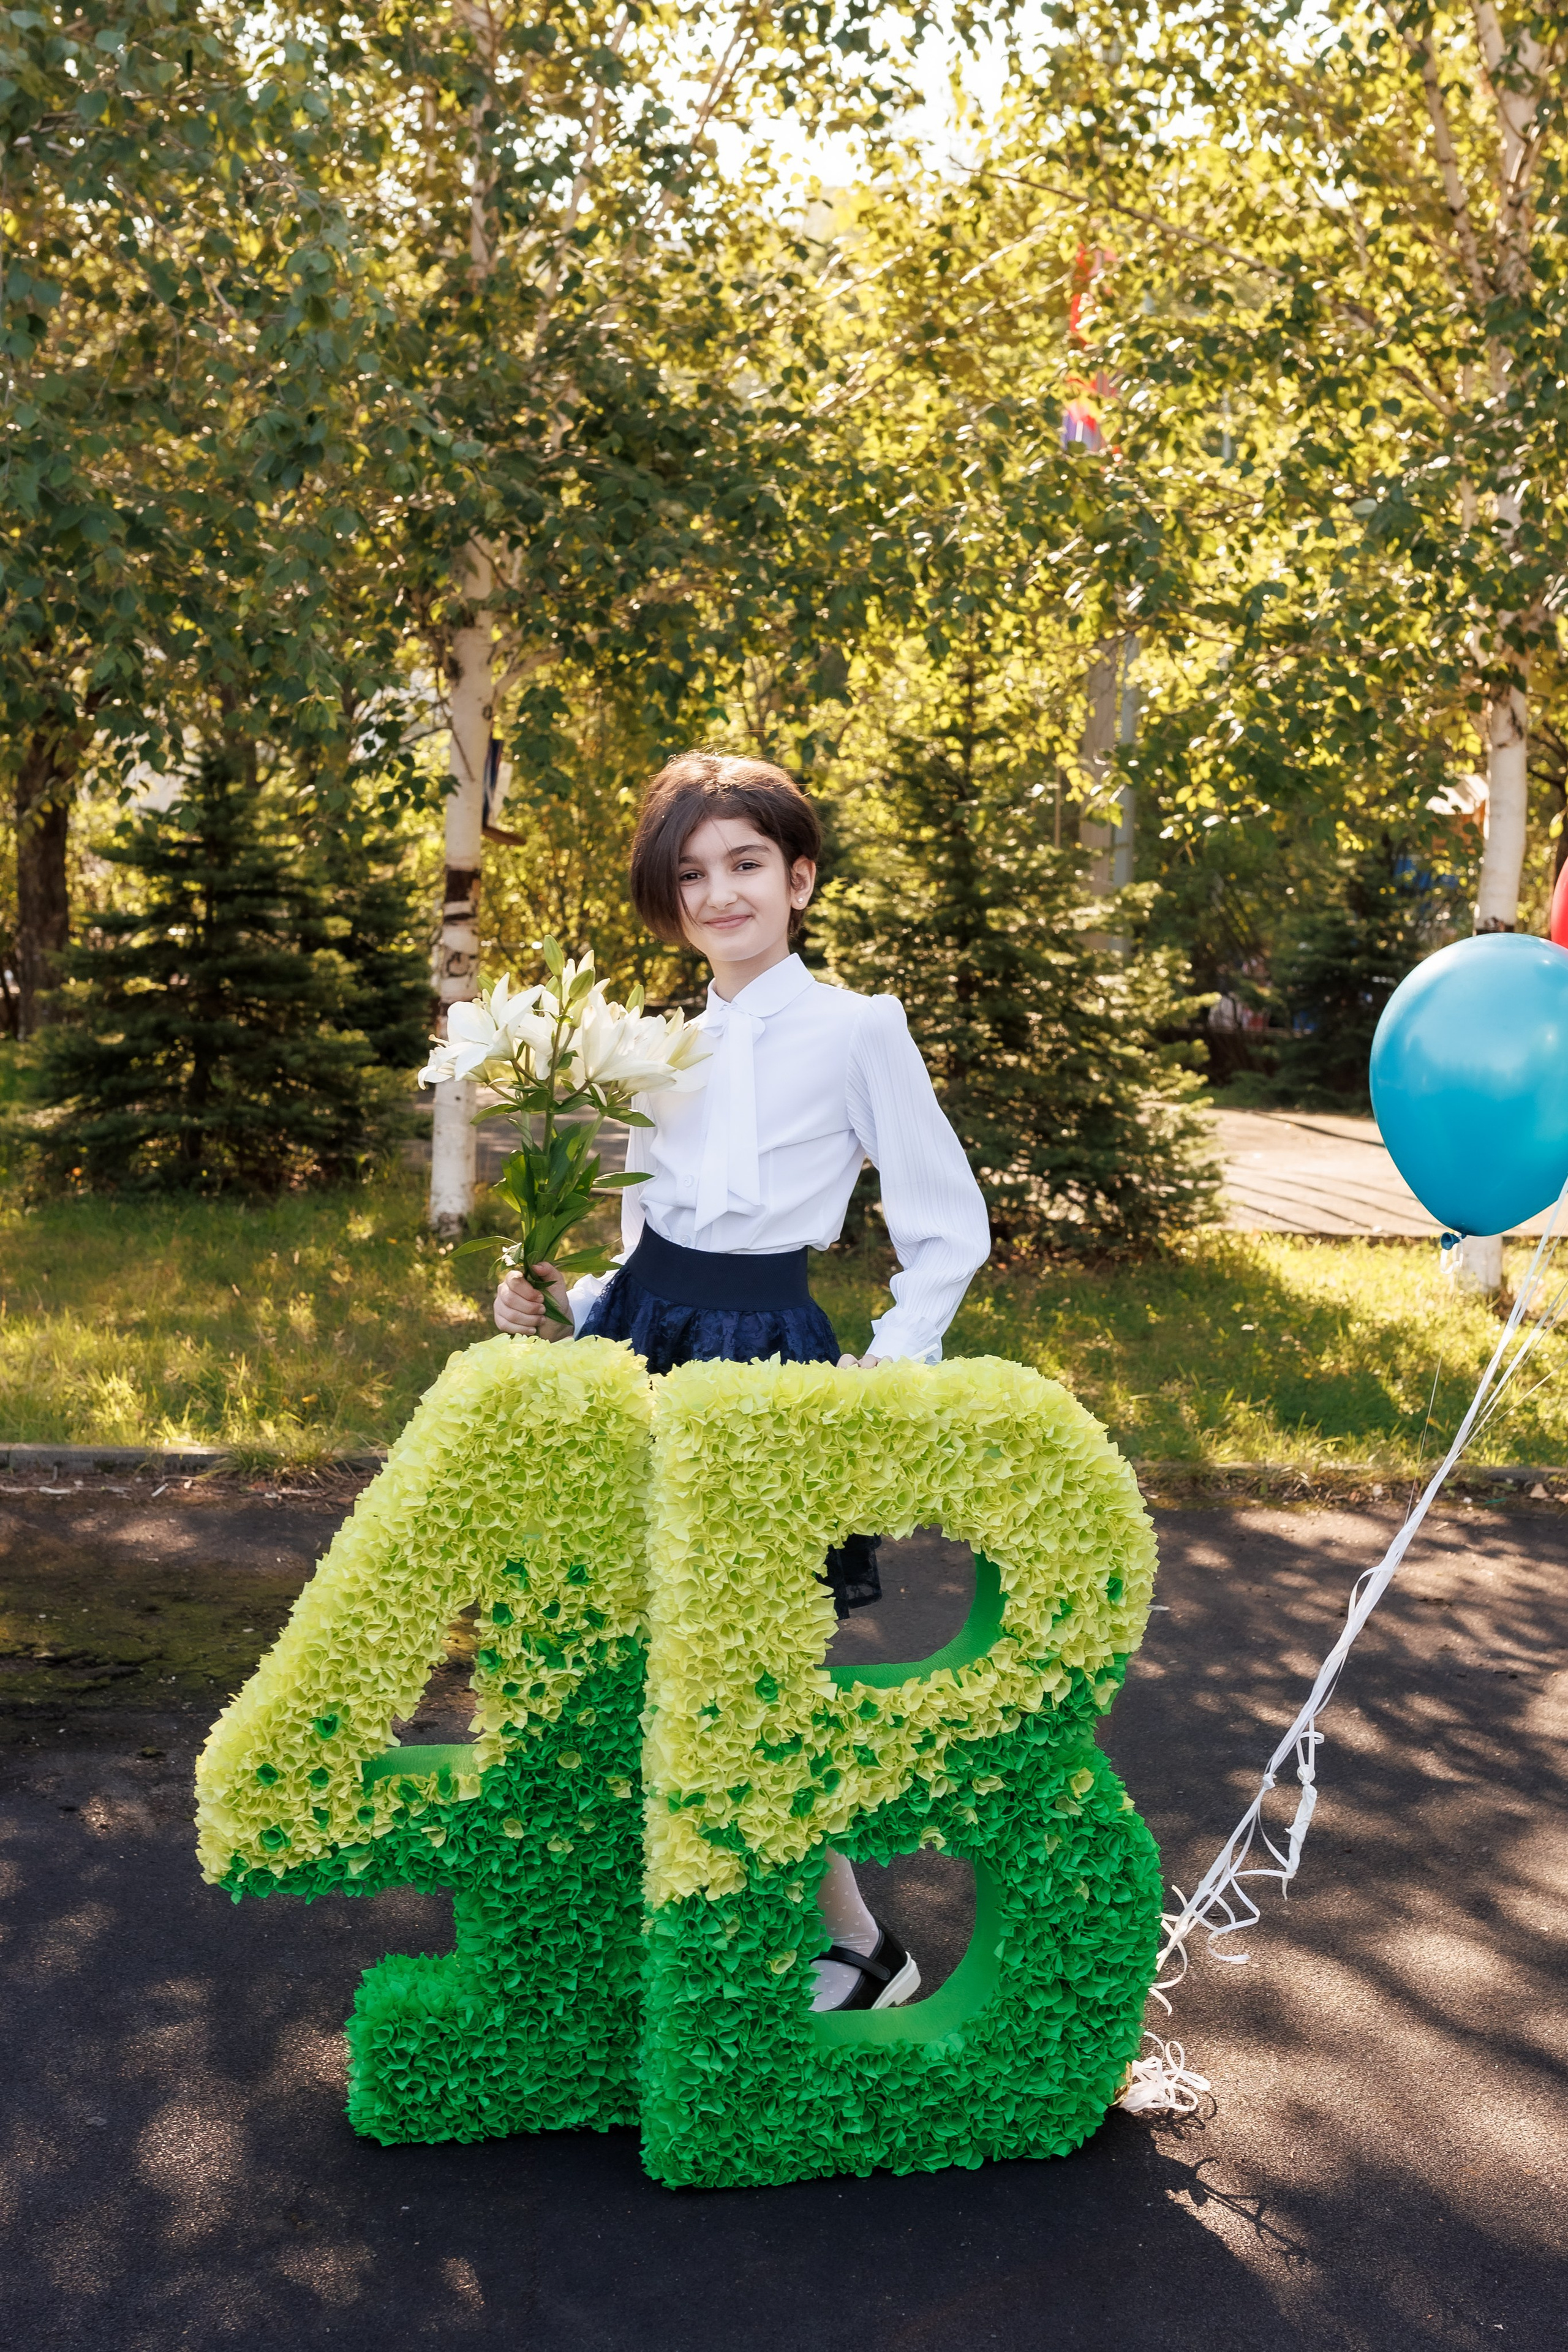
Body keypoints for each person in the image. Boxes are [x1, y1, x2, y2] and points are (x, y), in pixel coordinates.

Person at [494, 750, 990, 2011]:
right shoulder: (659, 1045)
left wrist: (885, 1368)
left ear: (799, 880)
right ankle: (699, 1919)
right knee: (641, 1651)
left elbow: (946, 1225)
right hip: (643, 1345)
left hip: (763, 1365)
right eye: (691, 875)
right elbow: (643, 1241)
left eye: (746, 865)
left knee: (752, 1666)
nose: (719, 894)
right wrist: (564, 1307)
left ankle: (863, 1944)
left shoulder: (858, 1028)